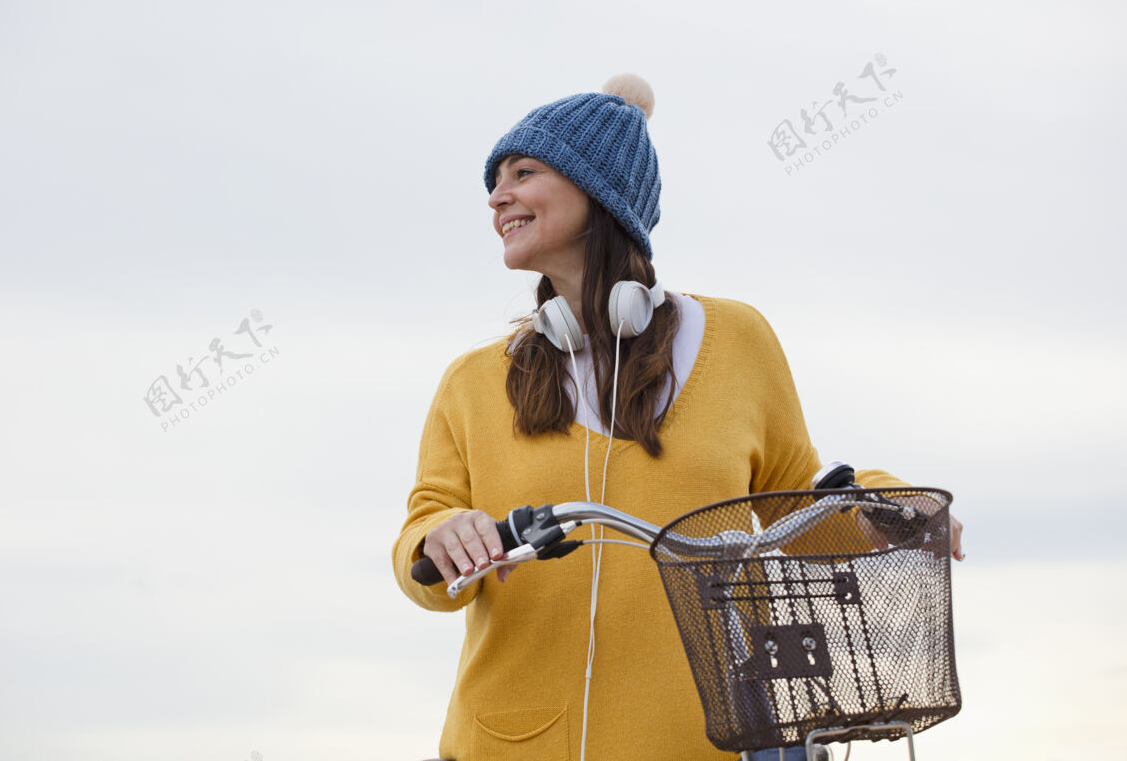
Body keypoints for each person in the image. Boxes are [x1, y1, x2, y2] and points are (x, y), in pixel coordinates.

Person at [392, 74, 964, 761]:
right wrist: (439, 536)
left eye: (523, 171)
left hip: (698, 743)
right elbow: (424, 537)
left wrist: (884, 501)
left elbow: (799, 494)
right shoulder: (474, 382)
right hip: (507, 743)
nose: (497, 196)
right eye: (495, 181)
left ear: (597, 189)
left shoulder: (736, 339)